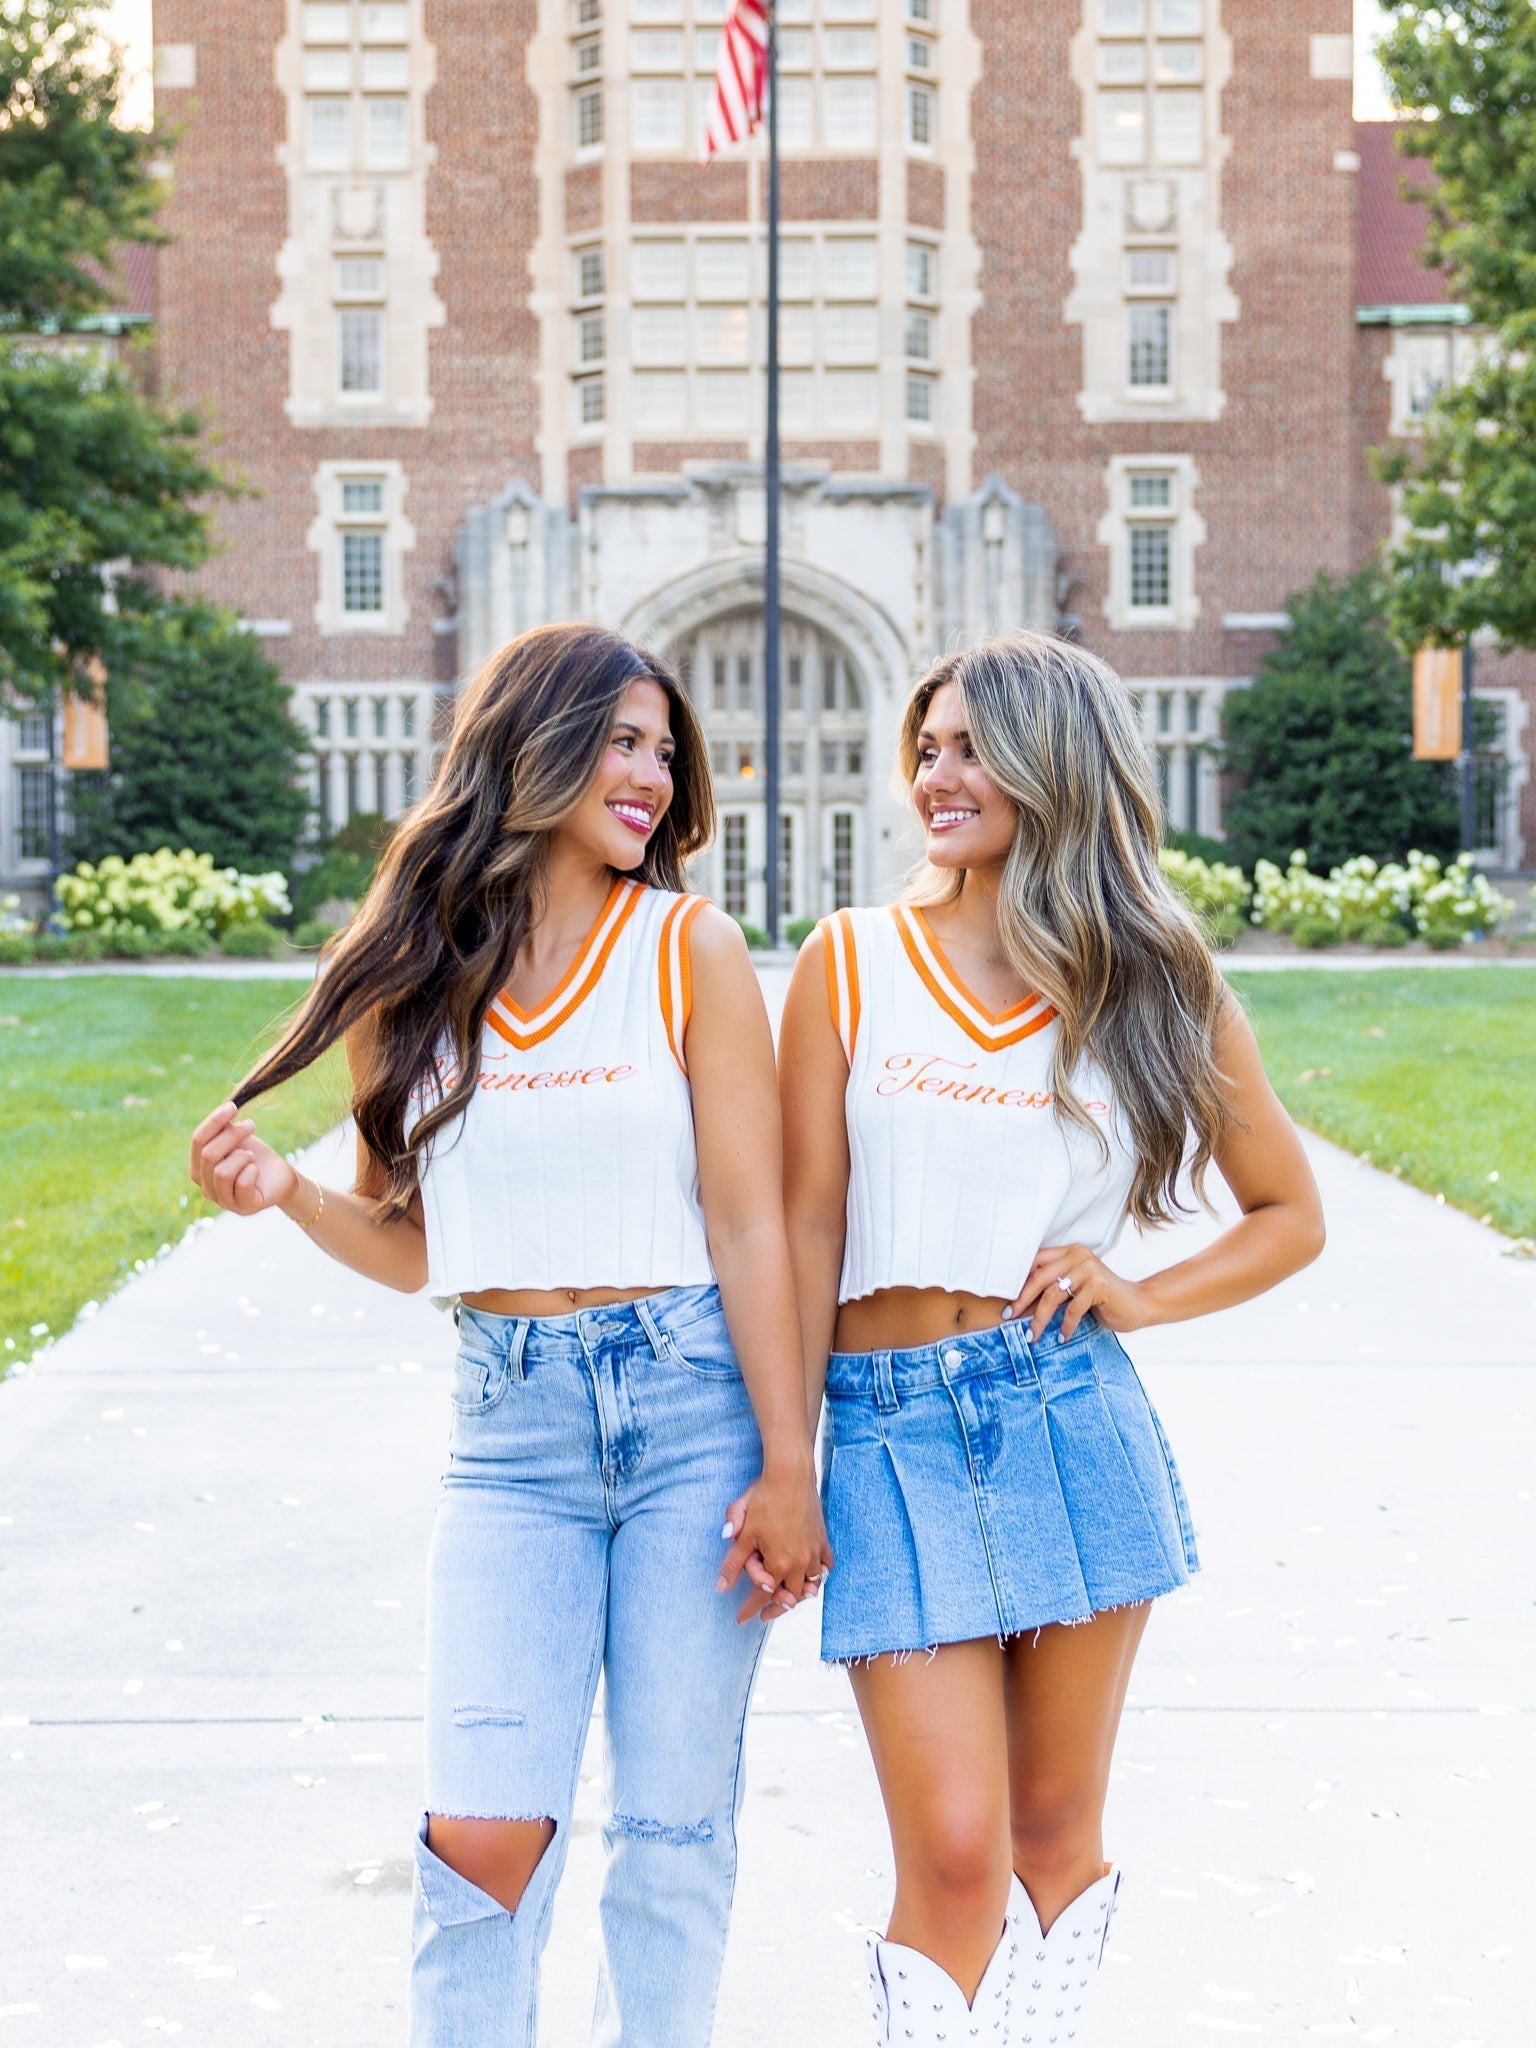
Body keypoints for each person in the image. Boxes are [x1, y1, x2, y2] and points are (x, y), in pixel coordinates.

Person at [188, 622, 830, 2048]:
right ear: (532, 745)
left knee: (670, 1832)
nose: (652, 776)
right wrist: (288, 1192)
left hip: (694, 1422)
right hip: (511, 1441)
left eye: (664, 751)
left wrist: (791, 1462)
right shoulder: (407, 976)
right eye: (621, 742)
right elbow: (417, 1243)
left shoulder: (689, 950)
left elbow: (751, 1227)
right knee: (480, 1836)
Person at [778, 632, 1325, 2045]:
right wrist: (787, 1457)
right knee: (955, 1852)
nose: (936, 776)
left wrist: (1140, 1293)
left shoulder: (1153, 979)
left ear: (1053, 763)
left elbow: (1289, 1215)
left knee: (1049, 1831)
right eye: (928, 749)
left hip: (1066, 1413)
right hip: (889, 1431)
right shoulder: (850, 962)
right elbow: (802, 1228)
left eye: (972, 748)